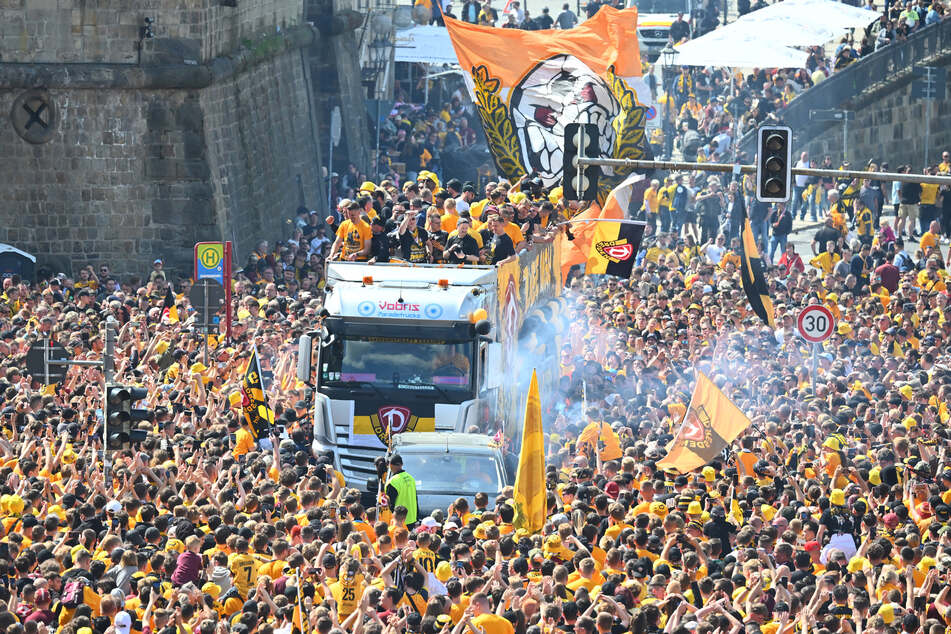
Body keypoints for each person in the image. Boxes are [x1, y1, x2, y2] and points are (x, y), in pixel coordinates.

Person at [385, 454, 419, 527]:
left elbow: (390, 505)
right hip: (412, 520)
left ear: (390, 465)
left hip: (399, 521)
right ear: (402, 464)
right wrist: (417, 518)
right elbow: (416, 499)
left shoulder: (393, 482)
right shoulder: (411, 478)